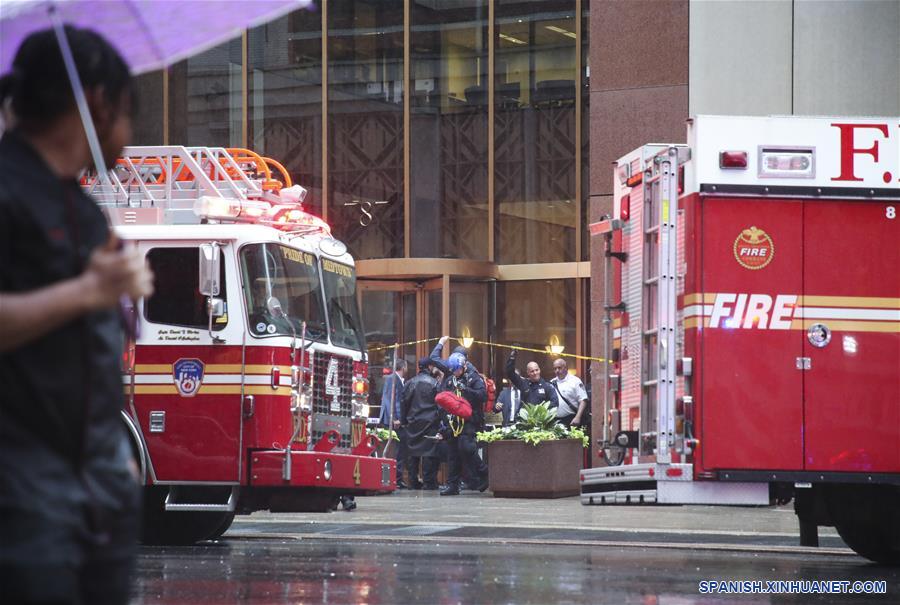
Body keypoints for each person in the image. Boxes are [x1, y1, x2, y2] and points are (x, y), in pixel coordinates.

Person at [0, 26, 154, 605]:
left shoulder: (84, 210)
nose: (128, 134)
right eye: (130, 111)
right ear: (97, 101)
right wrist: (88, 292)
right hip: (21, 495)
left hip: (96, 490)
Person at [430, 336, 489, 496]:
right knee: (452, 452)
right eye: (453, 370)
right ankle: (452, 485)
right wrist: (443, 426)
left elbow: (482, 396)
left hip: (470, 419)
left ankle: (483, 473)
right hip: (453, 421)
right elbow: (444, 401)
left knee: (467, 448)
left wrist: (466, 391)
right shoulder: (449, 381)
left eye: (457, 370)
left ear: (463, 366)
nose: (455, 372)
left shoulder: (473, 377)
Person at [401, 357, 441, 490]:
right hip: (430, 422)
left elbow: (404, 403)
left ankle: (412, 481)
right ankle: (429, 482)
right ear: (429, 367)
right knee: (429, 453)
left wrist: (404, 420)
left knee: (413, 453)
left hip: (413, 421)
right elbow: (440, 404)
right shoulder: (435, 383)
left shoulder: (410, 383)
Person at [378, 357, 409, 488]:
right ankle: (396, 477)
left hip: (395, 419)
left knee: (399, 448)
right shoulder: (392, 378)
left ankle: (398, 476)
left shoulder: (396, 379)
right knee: (398, 448)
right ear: (403, 367)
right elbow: (391, 400)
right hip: (394, 420)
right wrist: (395, 418)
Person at [550, 357, 589, 427]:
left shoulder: (575, 381)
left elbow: (583, 400)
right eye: (555, 368)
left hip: (572, 419)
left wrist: (578, 417)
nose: (557, 371)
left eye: (559, 368)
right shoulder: (552, 382)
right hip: (556, 420)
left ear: (566, 368)